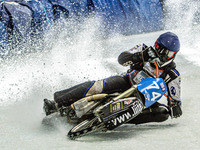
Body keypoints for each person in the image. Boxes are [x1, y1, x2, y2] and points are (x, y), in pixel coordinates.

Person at [43, 32, 182, 124]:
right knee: (97, 86)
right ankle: (57, 103)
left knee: (163, 113)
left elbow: (175, 100)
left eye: (167, 53)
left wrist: (175, 107)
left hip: (143, 100)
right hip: (126, 82)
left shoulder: (172, 75)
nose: (161, 54)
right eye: (159, 47)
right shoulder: (143, 48)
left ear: (173, 55)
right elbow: (122, 59)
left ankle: (120, 119)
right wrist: (142, 56)